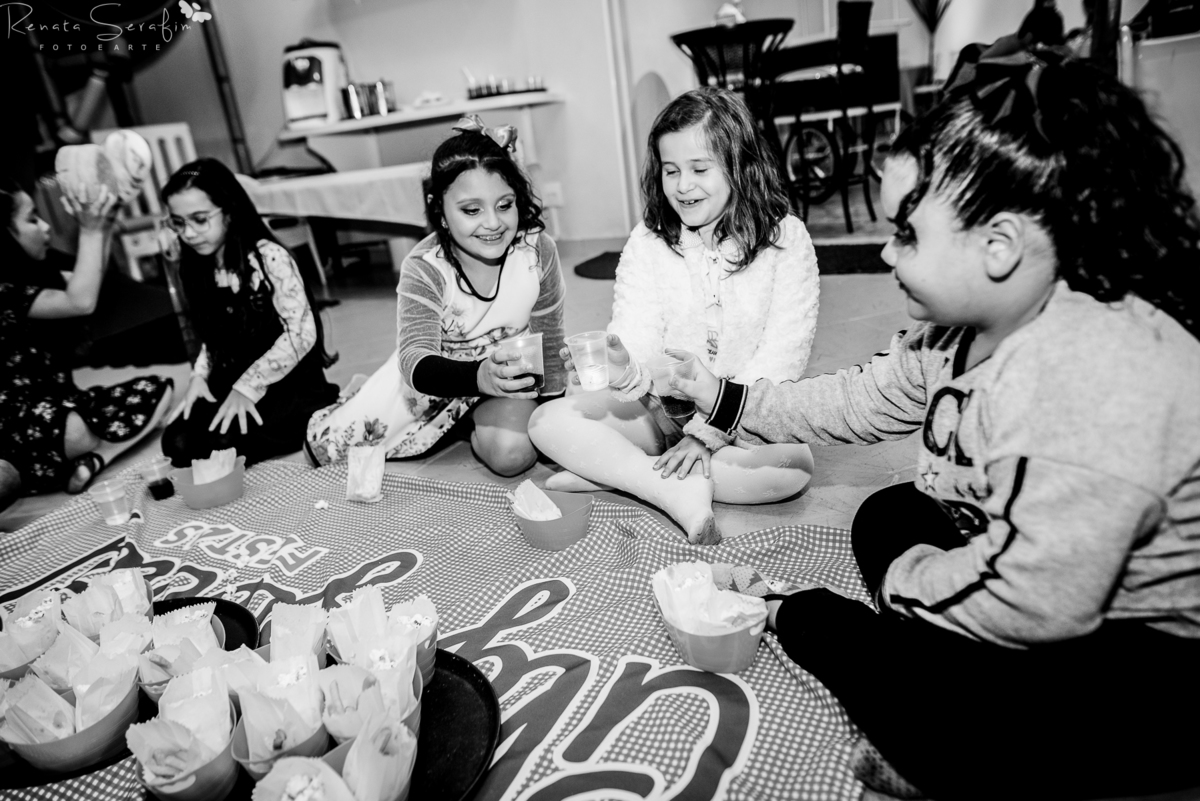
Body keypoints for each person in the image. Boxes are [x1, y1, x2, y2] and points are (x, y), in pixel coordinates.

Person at [669, 45, 1200, 799]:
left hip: (1148, 655)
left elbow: (1034, 599)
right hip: (1032, 563)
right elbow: (855, 399)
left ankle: (862, 661)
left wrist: (845, 605)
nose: (885, 252)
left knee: (960, 710)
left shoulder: (1097, 374)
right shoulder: (956, 329)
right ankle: (914, 666)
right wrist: (726, 398)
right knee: (889, 509)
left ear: (1001, 246)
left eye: (908, 235)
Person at [528, 88, 819, 545]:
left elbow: (783, 357)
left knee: (792, 468)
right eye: (671, 171)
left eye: (700, 169)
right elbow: (636, 338)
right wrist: (619, 366)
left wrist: (708, 434)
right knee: (546, 422)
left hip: (740, 414)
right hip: (655, 410)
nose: (683, 186)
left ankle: (617, 472)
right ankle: (662, 483)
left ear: (739, 164)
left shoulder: (787, 239)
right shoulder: (647, 241)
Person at [305, 116, 566, 476]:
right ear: (439, 210)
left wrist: (554, 417)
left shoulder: (538, 252)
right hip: (431, 383)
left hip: (502, 384)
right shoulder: (425, 266)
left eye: (504, 205)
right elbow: (415, 361)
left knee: (514, 456)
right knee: (328, 445)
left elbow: (549, 342)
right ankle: (368, 396)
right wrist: (478, 376)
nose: (492, 223)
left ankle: (473, 425)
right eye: (471, 210)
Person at [0, 178, 174, 495]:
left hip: (62, 402)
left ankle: (95, 459)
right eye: (31, 219)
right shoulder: (4, 292)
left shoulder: (34, 268)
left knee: (158, 388)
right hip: (28, 423)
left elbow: (91, 275)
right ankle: (75, 454)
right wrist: (91, 230)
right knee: (76, 430)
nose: (45, 226)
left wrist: (104, 216)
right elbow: (81, 301)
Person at [160, 158, 338, 467]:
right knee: (177, 442)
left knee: (222, 444)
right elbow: (211, 333)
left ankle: (317, 413)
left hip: (284, 380)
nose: (188, 233)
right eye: (178, 222)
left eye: (200, 219)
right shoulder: (196, 264)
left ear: (228, 211)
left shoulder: (268, 257)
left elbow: (302, 333)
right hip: (233, 376)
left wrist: (249, 386)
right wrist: (199, 376)